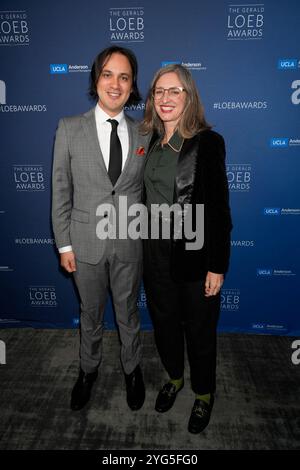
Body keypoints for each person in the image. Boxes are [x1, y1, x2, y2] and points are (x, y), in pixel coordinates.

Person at [52, 46, 149, 412]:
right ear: (96, 79)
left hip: (128, 243)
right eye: (108, 74)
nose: (115, 83)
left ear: (131, 85)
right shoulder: (69, 128)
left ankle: (133, 370)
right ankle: (88, 371)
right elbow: (60, 190)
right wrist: (64, 245)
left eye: (124, 77)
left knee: (128, 314)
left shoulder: (144, 132)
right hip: (85, 243)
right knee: (90, 315)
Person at [142, 64, 232, 433]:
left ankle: (204, 393)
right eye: (159, 91)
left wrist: (217, 265)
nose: (165, 98)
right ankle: (175, 378)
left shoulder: (207, 143)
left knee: (199, 329)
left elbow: (220, 209)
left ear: (189, 96)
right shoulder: (146, 140)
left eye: (174, 91)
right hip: (153, 252)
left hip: (194, 253)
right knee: (163, 323)